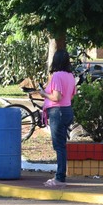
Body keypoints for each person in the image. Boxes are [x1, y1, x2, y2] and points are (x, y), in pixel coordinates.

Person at [39, 49, 76, 188]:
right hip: (67, 111)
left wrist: (43, 94)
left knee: (59, 146)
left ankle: (60, 178)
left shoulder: (57, 76)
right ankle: (60, 175)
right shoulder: (70, 76)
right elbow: (71, 95)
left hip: (57, 112)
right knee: (62, 145)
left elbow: (56, 97)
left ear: (55, 61)